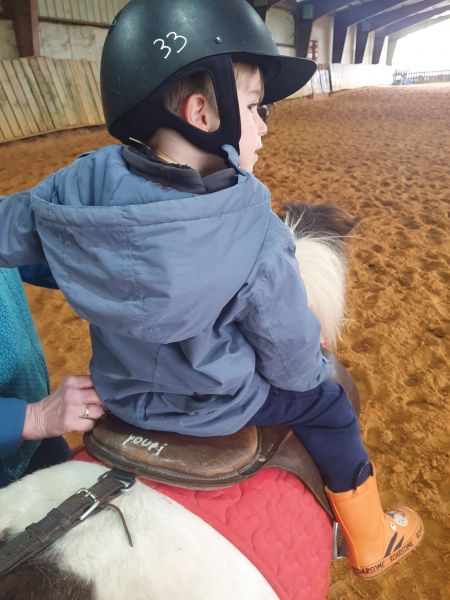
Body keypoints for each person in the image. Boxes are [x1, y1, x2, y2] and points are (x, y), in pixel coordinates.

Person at [0, 0, 423, 578]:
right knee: (326, 403)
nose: (264, 124)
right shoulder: (253, 227)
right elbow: (291, 357)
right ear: (202, 113)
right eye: (254, 107)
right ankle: (373, 540)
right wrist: (311, 369)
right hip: (216, 407)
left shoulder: (78, 187)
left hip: (120, 398)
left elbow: (12, 231)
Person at [0, 265, 105, 488]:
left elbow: (24, 252)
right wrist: (28, 419)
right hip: (26, 427)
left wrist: (99, 268)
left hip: (36, 431)